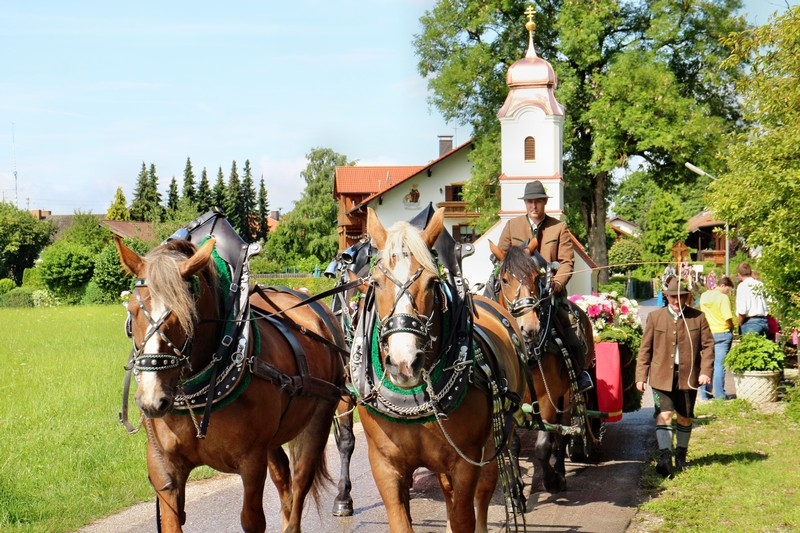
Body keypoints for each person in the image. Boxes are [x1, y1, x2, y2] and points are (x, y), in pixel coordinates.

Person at [496, 180, 593, 393]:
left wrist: (557, 283)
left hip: (549, 294)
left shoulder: (558, 228)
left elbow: (567, 261)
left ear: (544, 203)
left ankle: (580, 374)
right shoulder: (512, 226)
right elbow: (500, 257)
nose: (533, 206)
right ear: (525, 203)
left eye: (538, 201)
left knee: (572, 329)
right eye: (530, 202)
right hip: (518, 294)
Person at [635, 276, 714, 477]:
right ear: (666, 297)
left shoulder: (698, 317)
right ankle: (664, 456)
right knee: (665, 415)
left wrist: (705, 371)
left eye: (680, 297)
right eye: (672, 297)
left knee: (685, 418)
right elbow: (645, 349)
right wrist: (641, 376)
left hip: (688, 376)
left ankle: (681, 455)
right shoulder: (655, 317)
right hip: (662, 376)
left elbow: (708, 346)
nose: (676, 301)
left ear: (687, 297)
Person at [699, 275, 734, 400]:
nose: (728, 293)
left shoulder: (704, 296)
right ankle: (719, 395)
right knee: (719, 365)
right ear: (723, 285)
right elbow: (727, 317)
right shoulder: (722, 297)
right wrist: (732, 327)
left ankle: (705, 394)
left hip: (707, 333)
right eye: (728, 290)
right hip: (722, 332)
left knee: (707, 363)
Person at [736, 262, 770, 337]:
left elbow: (742, 310)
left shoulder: (742, 286)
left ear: (739, 274)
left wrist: (739, 324)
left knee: (750, 347)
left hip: (750, 323)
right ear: (751, 272)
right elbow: (770, 303)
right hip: (763, 321)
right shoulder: (761, 284)